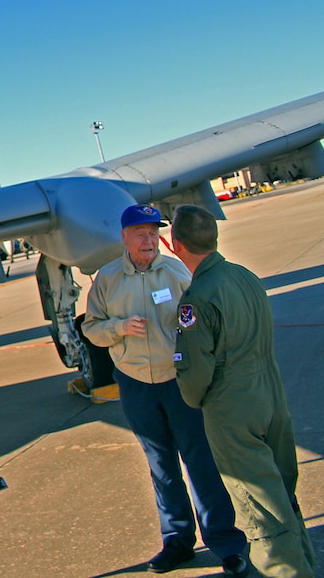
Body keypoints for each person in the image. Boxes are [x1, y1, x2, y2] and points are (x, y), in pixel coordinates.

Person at [83, 204, 248, 576]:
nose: (148, 240)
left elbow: (201, 318)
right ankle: (177, 539)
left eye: (153, 232)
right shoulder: (107, 279)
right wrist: (119, 328)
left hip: (179, 382)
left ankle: (225, 541)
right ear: (124, 237)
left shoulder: (177, 271)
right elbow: (91, 328)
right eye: (140, 233)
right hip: (137, 383)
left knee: (201, 462)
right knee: (162, 467)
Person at [171, 204, 316, 577]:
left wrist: (196, 400)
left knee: (262, 511)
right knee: (283, 495)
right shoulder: (246, 276)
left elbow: (194, 372)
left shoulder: (197, 298)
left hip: (232, 408)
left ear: (176, 245)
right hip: (271, 396)